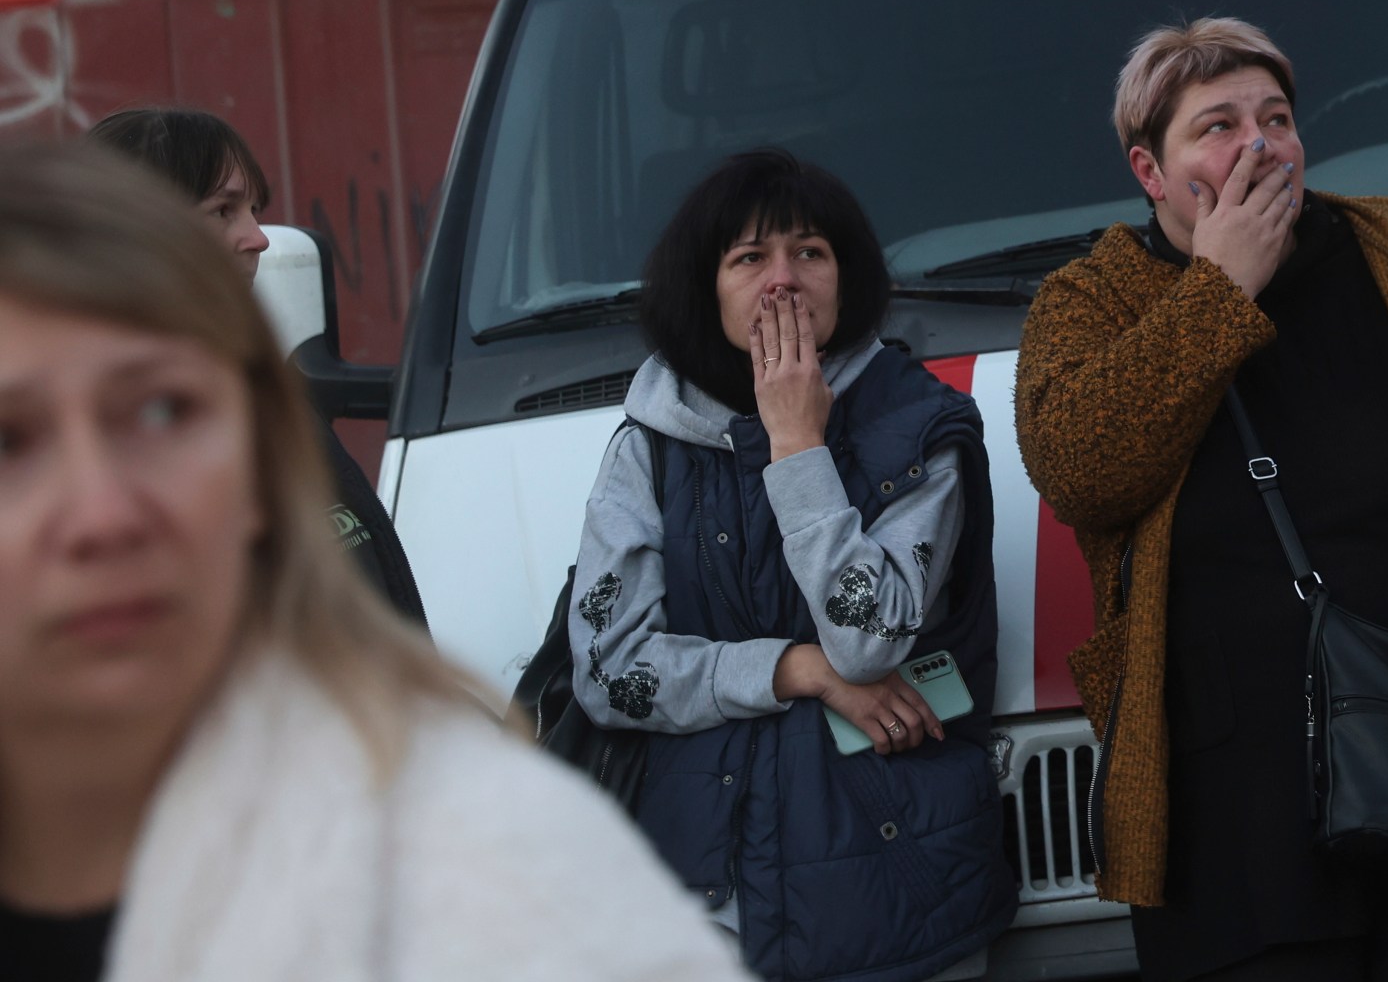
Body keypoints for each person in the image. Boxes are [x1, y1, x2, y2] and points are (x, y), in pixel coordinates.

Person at [0, 143, 750, 982]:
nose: (102, 511)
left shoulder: (488, 864)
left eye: (162, 410)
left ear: (266, 465)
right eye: (10, 441)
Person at [1015, 17, 1388, 982]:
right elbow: (1081, 471)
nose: (1258, 144)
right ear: (1150, 173)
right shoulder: (1089, 298)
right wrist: (1219, 288)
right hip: (1229, 814)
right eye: (1217, 126)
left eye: (1276, 117)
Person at [568, 148, 1014, 982]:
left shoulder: (924, 425)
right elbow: (610, 668)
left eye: (809, 252)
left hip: (898, 890)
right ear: (706, 285)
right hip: (706, 901)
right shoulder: (649, 443)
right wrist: (795, 669)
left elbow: (870, 640)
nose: (782, 280)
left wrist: (798, 443)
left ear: (847, 277)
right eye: (749, 258)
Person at [87, 106, 429, 630]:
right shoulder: (121, 437)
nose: (260, 238)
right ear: (140, 229)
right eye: (223, 211)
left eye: (253, 209)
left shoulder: (248, 392)